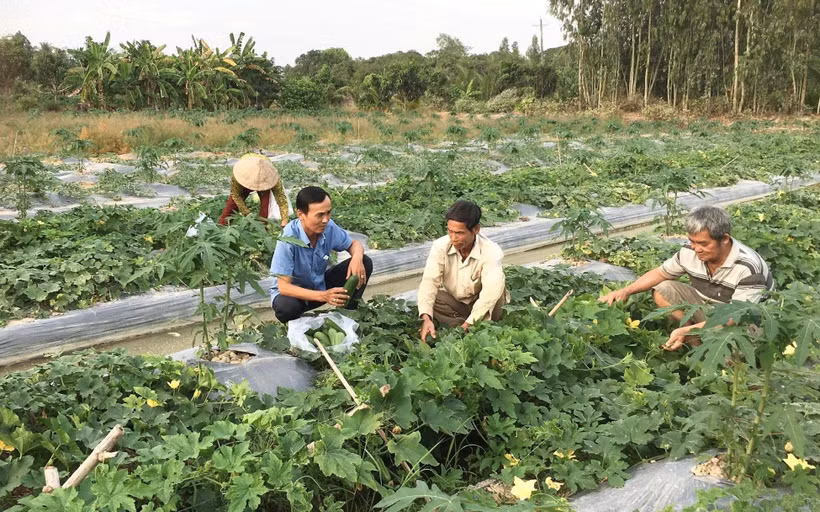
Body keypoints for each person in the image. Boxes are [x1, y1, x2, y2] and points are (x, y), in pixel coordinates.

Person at [599, 205, 774, 351]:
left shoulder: (749, 268)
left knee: (730, 348)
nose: (696, 249)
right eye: (692, 241)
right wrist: (625, 291)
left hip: (747, 323)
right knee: (663, 289)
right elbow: (661, 273)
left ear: (725, 239)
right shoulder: (689, 252)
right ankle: (696, 349)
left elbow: (735, 317)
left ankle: (723, 363)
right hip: (709, 309)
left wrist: (687, 329)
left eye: (703, 244)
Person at [269, 186, 373, 323]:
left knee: (365, 262)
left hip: (320, 286)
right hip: (296, 296)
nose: (325, 219)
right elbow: (284, 287)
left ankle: (348, 314)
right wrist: (324, 296)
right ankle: (296, 328)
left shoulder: (328, 227)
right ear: (301, 214)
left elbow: (354, 244)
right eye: (319, 215)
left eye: (328, 213)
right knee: (286, 307)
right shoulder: (288, 238)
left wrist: (357, 258)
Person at [417, 200, 509, 342]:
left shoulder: (491, 251)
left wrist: (471, 321)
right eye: (450, 231)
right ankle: (462, 329)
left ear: (476, 229)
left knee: (496, 294)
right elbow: (429, 282)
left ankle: (472, 327)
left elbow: (490, 294)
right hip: (457, 303)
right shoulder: (440, 247)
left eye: (459, 233)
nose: (453, 238)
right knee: (433, 298)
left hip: (483, 304)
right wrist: (426, 318)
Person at [218, 153, 290, 228]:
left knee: (264, 211)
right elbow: (235, 195)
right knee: (231, 206)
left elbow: (282, 200)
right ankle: (221, 228)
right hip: (245, 177)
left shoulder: (271, 176)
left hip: (264, 179)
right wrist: (247, 213)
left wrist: (284, 221)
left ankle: (262, 234)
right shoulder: (239, 173)